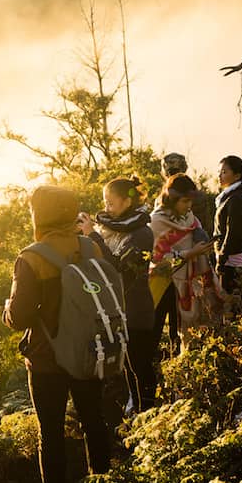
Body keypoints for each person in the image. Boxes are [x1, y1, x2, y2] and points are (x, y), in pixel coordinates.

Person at [3, 185, 110, 483]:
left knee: (50, 432)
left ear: (40, 214)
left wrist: (7, 310)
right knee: (94, 421)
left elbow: (19, 317)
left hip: (48, 358)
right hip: (90, 351)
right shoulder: (92, 247)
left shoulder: (32, 257)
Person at [82, 176, 157, 412]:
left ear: (126, 201)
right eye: (105, 202)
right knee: (126, 366)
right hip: (117, 310)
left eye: (111, 203)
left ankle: (148, 411)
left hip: (136, 310)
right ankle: (135, 409)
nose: (106, 208)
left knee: (140, 366)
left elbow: (118, 268)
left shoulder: (142, 234)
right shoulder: (109, 229)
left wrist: (93, 236)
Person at [149, 174, 221, 352]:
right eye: (184, 201)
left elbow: (196, 232)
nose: (189, 206)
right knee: (155, 330)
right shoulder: (157, 221)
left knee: (180, 330)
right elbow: (157, 258)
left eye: (190, 201)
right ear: (172, 199)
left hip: (186, 282)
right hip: (163, 283)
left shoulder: (188, 216)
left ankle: (180, 367)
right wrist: (191, 253)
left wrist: (203, 247)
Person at [214, 155, 242, 306]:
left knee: (231, 303)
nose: (219, 175)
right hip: (229, 256)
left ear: (237, 175)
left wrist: (222, 258)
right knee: (232, 302)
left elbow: (233, 231)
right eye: (219, 172)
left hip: (232, 258)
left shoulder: (235, 199)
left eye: (224, 172)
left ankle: (232, 330)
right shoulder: (229, 196)